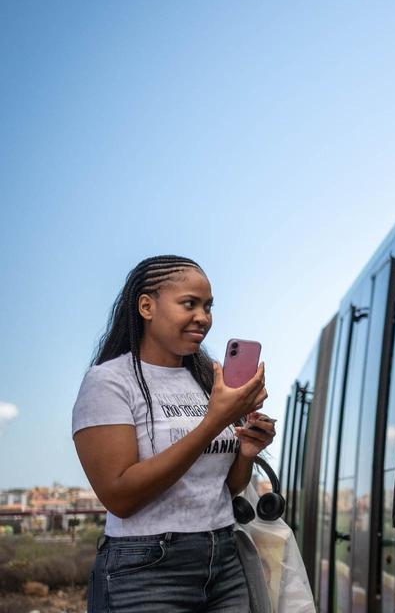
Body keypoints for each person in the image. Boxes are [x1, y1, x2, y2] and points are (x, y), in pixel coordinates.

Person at [72, 255, 273, 612]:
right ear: (146, 307)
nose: (203, 317)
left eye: (208, 306)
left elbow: (224, 488)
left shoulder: (207, 380)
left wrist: (245, 451)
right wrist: (213, 423)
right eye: (189, 304)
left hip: (224, 561)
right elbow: (120, 497)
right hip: (146, 569)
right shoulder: (109, 381)